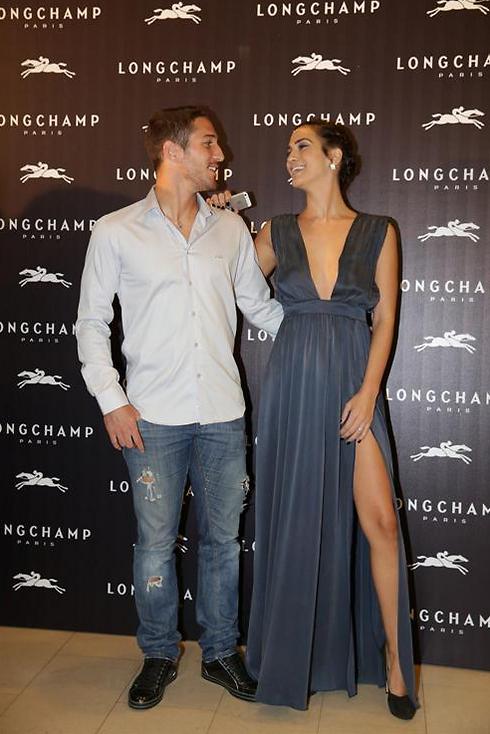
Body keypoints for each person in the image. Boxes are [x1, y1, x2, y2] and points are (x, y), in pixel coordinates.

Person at [76, 106, 283, 710]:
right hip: (151, 418)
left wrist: (325, 333)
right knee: (154, 544)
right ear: (173, 152)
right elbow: (91, 323)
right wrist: (112, 400)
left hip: (223, 413)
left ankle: (220, 653)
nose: (221, 155)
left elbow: (260, 307)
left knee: (223, 541)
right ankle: (159, 654)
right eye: (209, 144)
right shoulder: (115, 231)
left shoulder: (231, 230)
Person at [240, 120, 416, 717]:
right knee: (296, 525)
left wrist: (368, 392)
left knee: (381, 522)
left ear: (334, 157)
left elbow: (385, 319)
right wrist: (219, 223)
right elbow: (229, 279)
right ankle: (292, 661)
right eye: (288, 149)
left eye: (302, 146)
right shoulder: (276, 231)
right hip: (291, 386)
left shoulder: (379, 231)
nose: (290, 156)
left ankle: (396, 663)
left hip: (352, 384)